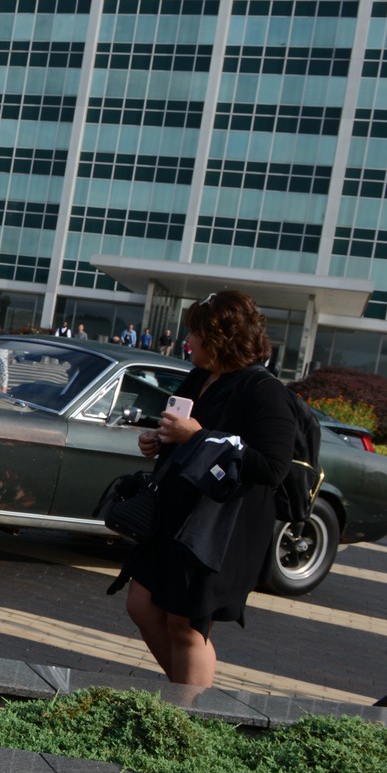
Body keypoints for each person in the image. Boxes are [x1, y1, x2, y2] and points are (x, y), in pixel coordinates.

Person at [123, 291, 295, 688]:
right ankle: (190, 698)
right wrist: (159, 439)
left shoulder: (264, 390)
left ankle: (190, 714)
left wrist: (199, 438)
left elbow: (272, 467)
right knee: (143, 605)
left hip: (220, 527)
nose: (189, 342)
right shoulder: (202, 376)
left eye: (196, 334)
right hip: (174, 514)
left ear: (220, 337)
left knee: (185, 624)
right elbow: (185, 435)